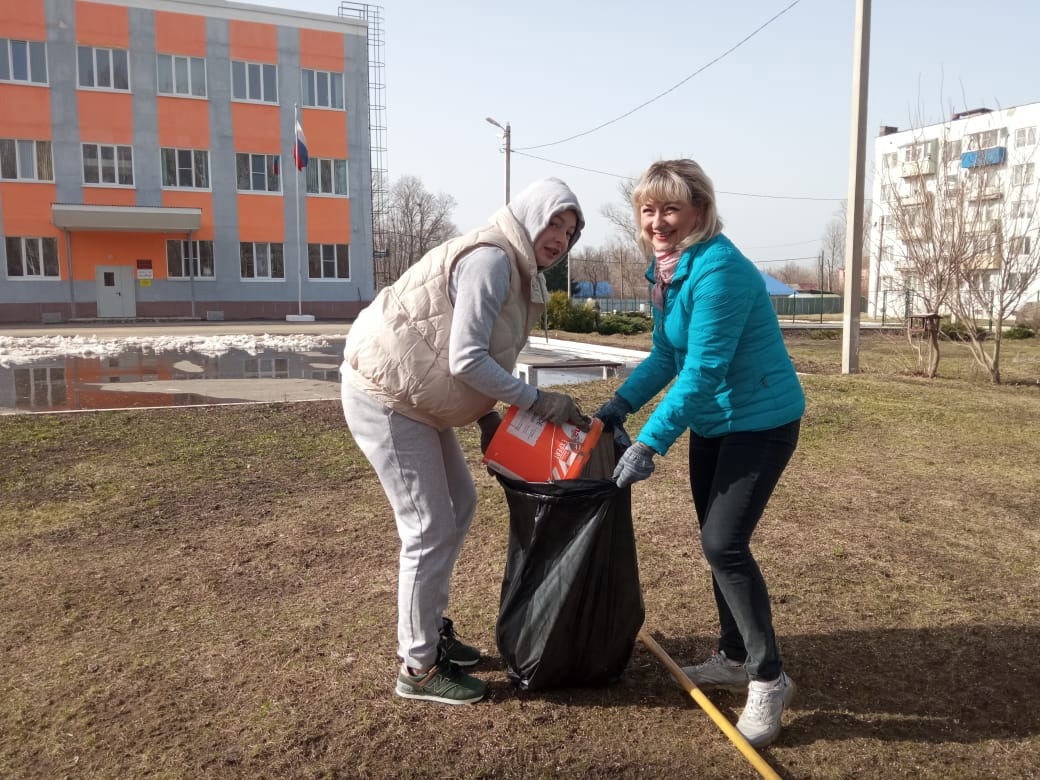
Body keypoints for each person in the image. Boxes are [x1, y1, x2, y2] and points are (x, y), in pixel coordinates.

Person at [340, 178, 587, 705]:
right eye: (553, 224)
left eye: (569, 232)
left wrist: (486, 416)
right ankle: (418, 667)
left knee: (460, 503)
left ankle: (430, 631)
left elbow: (471, 351)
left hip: (417, 393)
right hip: (385, 392)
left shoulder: (515, 269)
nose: (559, 239)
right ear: (528, 216)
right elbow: (466, 359)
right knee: (427, 525)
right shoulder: (493, 261)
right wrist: (536, 402)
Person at [594, 159, 805, 747]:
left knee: (723, 543)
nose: (657, 220)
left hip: (760, 422)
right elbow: (667, 354)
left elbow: (704, 370)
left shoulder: (721, 273)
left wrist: (651, 442)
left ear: (699, 212)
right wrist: (620, 405)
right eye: (648, 209)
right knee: (718, 543)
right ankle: (734, 656)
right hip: (715, 423)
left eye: (670, 208)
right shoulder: (669, 271)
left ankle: (769, 677)